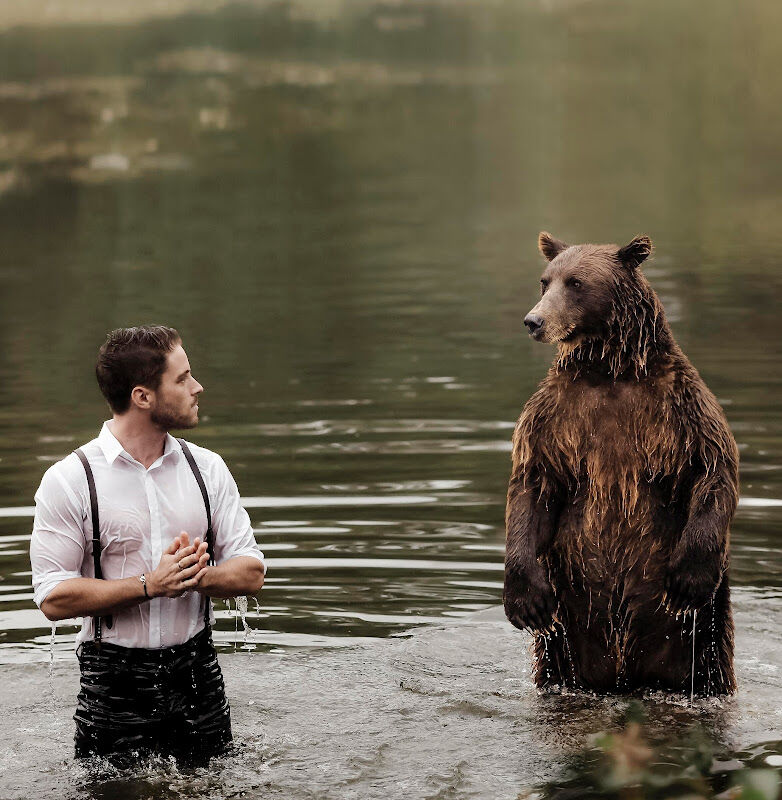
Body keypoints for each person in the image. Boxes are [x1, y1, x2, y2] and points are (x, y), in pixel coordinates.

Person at [29, 325, 265, 761]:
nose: (197, 387)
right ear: (143, 396)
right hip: (112, 686)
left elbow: (252, 570)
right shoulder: (71, 479)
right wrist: (150, 585)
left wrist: (197, 576)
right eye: (182, 378)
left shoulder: (207, 469)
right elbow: (53, 597)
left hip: (198, 678)